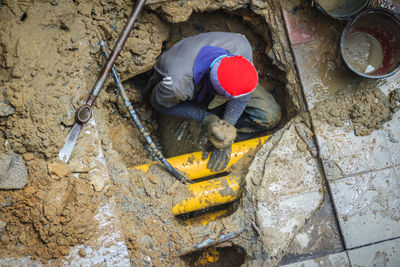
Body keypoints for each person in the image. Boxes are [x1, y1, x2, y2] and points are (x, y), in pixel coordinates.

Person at [145, 32, 281, 172]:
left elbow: (241, 96)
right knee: (184, 156)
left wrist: (226, 131)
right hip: (181, 97)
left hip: (219, 86)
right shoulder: (177, 85)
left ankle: (216, 136)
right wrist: (206, 118)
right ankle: (207, 129)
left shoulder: (240, 47)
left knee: (269, 115)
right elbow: (158, 103)